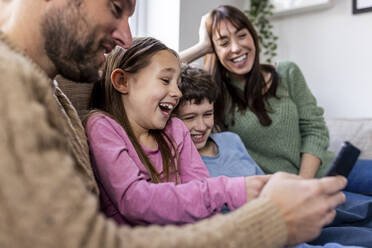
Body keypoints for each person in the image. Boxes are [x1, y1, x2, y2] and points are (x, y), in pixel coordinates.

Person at [0, 0, 348, 247]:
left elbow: (146, 70)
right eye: (116, 8)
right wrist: (269, 221)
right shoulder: (14, 84)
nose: (125, 35)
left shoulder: (52, 93)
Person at [174, 64, 372, 248]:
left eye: (207, 114)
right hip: (271, 230)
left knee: (360, 211)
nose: (201, 126)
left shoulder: (230, 140)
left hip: (294, 209)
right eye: (189, 118)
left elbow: (267, 183)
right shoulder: (182, 167)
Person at [179, 5, 372, 193]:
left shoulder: (287, 72)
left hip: (329, 169)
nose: (236, 48)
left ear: (253, 36)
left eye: (241, 35)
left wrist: (303, 183)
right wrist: (201, 47)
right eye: (223, 43)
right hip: (281, 189)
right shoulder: (213, 93)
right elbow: (158, 73)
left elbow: (315, 129)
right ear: (214, 50)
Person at [85, 37, 257, 226]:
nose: (178, 92)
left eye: (178, 82)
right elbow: (134, 201)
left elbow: (200, 188)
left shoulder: (175, 129)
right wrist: (231, 190)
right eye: (166, 80)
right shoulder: (102, 126)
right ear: (122, 81)